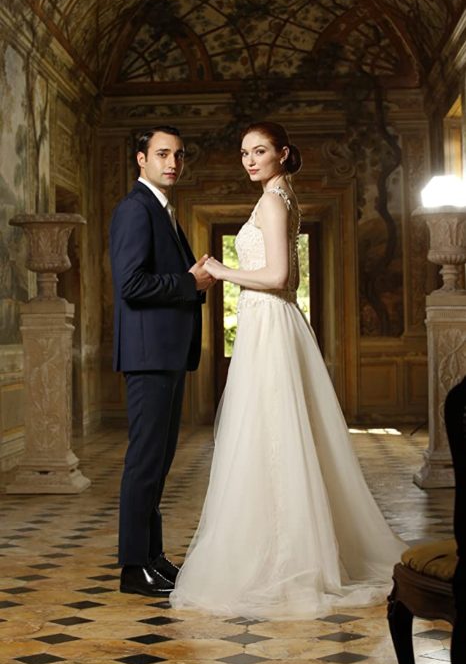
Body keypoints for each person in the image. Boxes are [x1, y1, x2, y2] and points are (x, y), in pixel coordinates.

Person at [170, 121, 407, 619]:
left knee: (275, 434)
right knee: (265, 436)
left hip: (271, 324)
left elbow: (281, 277)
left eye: (259, 151)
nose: (250, 160)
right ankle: (275, 546)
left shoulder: (275, 200)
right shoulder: (278, 195)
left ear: (282, 153)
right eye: (243, 153)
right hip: (262, 326)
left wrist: (219, 271)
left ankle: (289, 559)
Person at [110, 126, 215, 598]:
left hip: (167, 354)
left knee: (159, 461)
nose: (173, 162)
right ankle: (133, 568)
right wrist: (188, 283)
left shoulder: (162, 209)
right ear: (141, 159)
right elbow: (131, 284)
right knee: (145, 462)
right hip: (149, 355)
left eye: (179, 154)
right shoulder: (135, 209)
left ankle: (152, 557)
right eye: (162, 154)